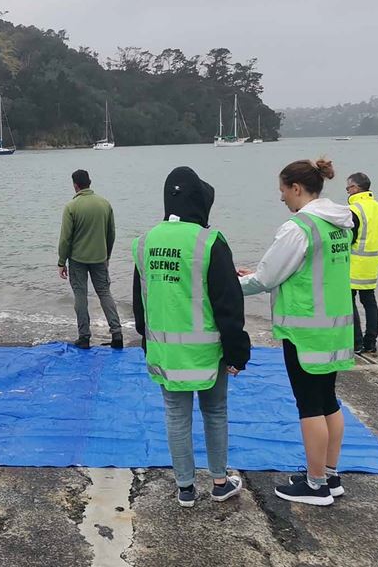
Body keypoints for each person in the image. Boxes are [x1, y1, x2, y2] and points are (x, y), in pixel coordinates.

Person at [132, 166, 251, 508]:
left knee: (176, 414)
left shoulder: (145, 242)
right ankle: (218, 481)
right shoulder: (210, 242)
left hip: (165, 351)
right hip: (208, 353)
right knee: (214, 412)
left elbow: (142, 302)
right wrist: (237, 352)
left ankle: (184, 487)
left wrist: (146, 340)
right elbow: (229, 304)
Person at [238, 158, 354, 507]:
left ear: (297, 189)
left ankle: (315, 485)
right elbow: (304, 270)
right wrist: (256, 274)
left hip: (305, 333)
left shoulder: (298, 227)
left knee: (309, 406)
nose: (282, 198)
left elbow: (266, 279)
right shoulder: (338, 224)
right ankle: (330, 474)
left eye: (283, 190)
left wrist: (233, 284)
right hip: (333, 328)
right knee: (328, 401)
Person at [57, 169, 122, 349]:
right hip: (100, 258)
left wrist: (61, 261)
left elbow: (65, 238)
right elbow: (111, 233)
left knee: (80, 295)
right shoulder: (105, 204)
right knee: (104, 293)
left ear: (75, 185)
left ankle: (84, 337)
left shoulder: (71, 207)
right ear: (89, 182)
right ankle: (117, 333)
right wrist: (107, 255)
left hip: (77, 259)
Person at [345, 172, 378, 354]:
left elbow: (349, 238)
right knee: (369, 302)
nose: (347, 191)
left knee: (349, 302)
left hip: (353, 263)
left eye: (348, 188)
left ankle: (356, 343)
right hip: (372, 263)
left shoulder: (354, 210)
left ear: (355, 188)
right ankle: (370, 342)